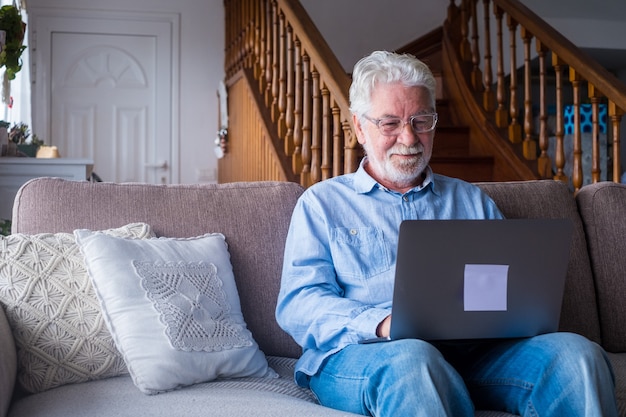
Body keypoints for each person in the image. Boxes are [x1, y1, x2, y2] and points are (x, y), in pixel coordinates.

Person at [275, 50, 618, 417]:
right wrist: (381, 324)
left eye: (421, 120)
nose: (409, 138)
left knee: (577, 355)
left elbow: (503, 291)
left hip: (472, 355)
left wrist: (501, 312)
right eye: (390, 123)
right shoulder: (322, 204)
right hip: (364, 354)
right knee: (414, 360)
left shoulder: (472, 202)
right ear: (360, 126)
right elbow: (299, 303)